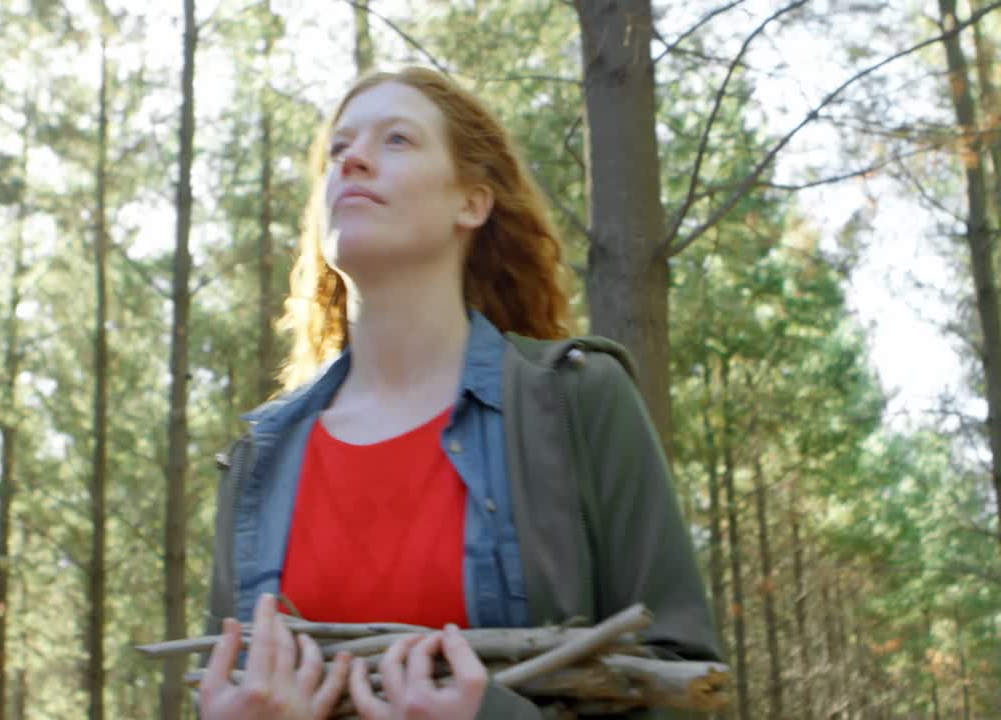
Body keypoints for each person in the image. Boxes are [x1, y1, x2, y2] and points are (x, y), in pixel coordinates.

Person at [200, 66, 719, 719]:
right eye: (338, 149)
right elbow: (219, 682)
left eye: (396, 140)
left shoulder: (578, 403)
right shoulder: (259, 462)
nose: (352, 160)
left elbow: (685, 689)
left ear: (471, 203)